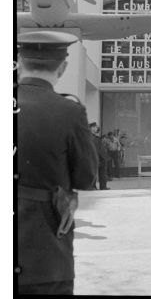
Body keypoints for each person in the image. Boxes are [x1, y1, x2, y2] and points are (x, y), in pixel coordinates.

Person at [16, 31, 98, 295]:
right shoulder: (69, 111)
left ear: (18, 60)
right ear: (62, 67)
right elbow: (86, 177)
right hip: (44, 253)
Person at [89, 122, 109, 190]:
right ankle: (92, 186)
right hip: (94, 157)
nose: (96, 128)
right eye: (94, 127)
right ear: (90, 128)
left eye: (96, 126)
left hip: (101, 158)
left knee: (103, 173)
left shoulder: (96, 137)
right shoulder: (89, 137)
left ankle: (103, 186)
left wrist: (105, 157)